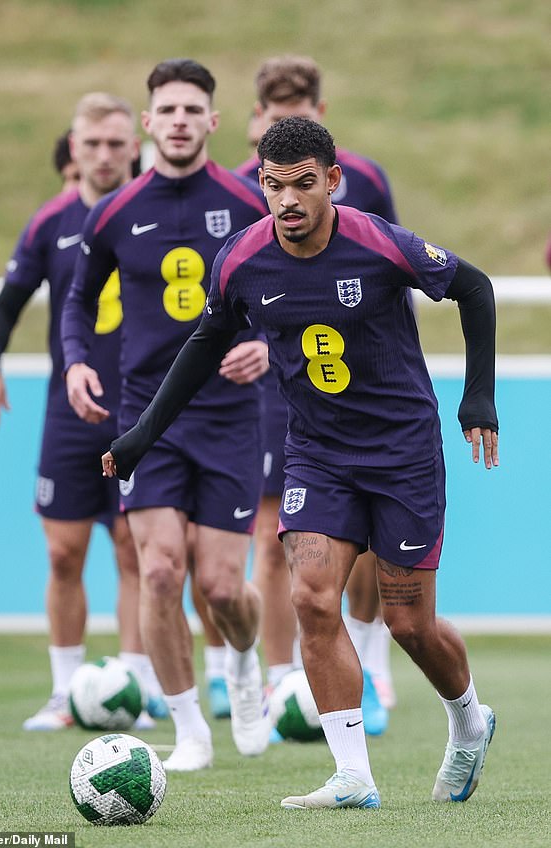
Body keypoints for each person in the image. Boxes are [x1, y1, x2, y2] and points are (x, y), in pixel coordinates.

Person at [101, 116, 499, 809]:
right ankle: (353, 776)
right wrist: (142, 433)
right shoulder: (243, 259)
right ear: (261, 182)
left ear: (332, 182)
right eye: (273, 184)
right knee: (313, 597)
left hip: (402, 452)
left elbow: (475, 287)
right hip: (316, 453)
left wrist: (479, 400)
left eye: (303, 185)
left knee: (409, 625)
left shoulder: (379, 244)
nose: (287, 200)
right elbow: (203, 344)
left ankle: (468, 719)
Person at [61, 59, 270, 771]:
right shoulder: (114, 212)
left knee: (219, 586)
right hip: (146, 419)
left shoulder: (249, 202)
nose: (179, 120)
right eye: (167, 109)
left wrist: (268, 347)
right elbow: (80, 302)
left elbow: (289, 288)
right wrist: (77, 359)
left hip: (230, 417)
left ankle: (244, 663)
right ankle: (189, 732)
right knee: (157, 572)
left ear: (213, 121)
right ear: (148, 123)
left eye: (193, 109)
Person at [0, 92, 167, 731]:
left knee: (136, 552)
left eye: (116, 144)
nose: (105, 155)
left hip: (142, 409)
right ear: (73, 147)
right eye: (93, 144)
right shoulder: (49, 223)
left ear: (132, 146)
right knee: (63, 554)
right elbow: (7, 303)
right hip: (69, 412)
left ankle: (133, 687)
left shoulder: (159, 213)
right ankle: (64, 692)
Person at [236, 55, 398, 731]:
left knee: (372, 538)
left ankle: (369, 659)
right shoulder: (245, 187)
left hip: (362, 383)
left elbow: (396, 265)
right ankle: (281, 681)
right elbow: (232, 286)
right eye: (275, 116)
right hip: (278, 385)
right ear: (256, 123)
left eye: (299, 111)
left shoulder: (363, 180)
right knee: (276, 538)